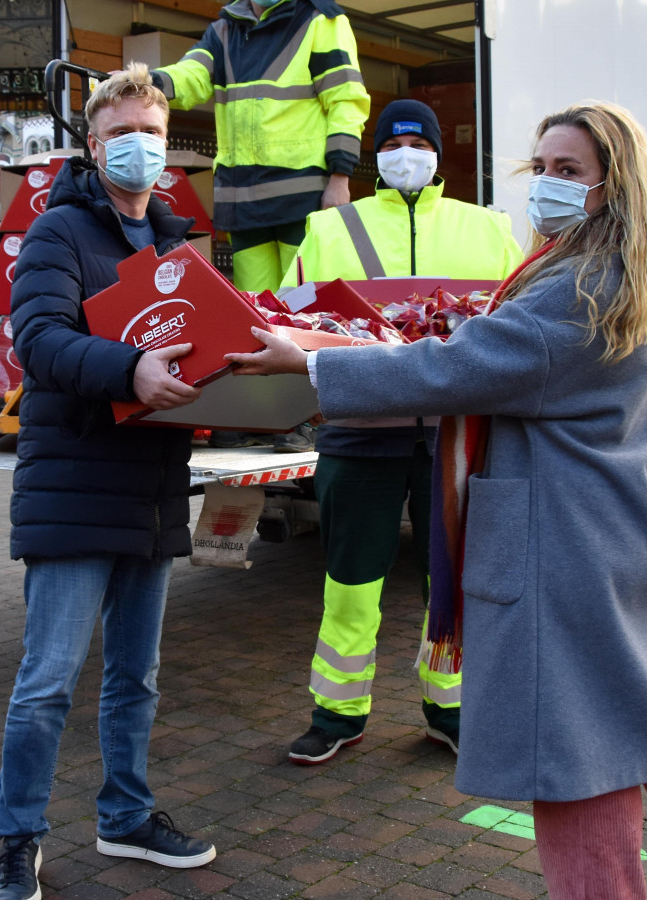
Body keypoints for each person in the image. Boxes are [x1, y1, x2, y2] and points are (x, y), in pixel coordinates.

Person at [226, 101, 647, 900]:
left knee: (575, 750)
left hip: (568, 546)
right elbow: (470, 355)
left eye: (569, 171)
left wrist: (309, 364)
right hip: (622, 533)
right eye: (541, 167)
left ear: (612, 187)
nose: (546, 184)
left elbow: (455, 368)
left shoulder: (577, 284)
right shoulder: (614, 268)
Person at [0, 65, 217, 900]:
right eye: (122, 134)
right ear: (93, 144)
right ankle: (17, 841)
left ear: (169, 149)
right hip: (76, 481)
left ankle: (125, 815)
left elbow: (197, 345)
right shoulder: (58, 232)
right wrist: (132, 371)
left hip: (149, 480)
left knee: (137, 675)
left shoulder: (174, 241)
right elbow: (38, 342)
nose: (138, 148)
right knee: (47, 681)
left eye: (152, 134)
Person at [277, 99, 523, 765]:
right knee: (351, 579)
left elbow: (519, 322)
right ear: (375, 155)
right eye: (393, 141)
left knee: (450, 579)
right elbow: (288, 316)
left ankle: (450, 707)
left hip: (455, 434)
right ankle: (337, 712)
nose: (406, 151)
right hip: (359, 431)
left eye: (419, 140)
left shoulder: (489, 230)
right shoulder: (329, 229)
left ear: (439, 153)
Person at [149, 0, 370, 294]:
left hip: (302, 200)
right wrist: (144, 81)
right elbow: (191, 76)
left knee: (305, 307)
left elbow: (346, 101)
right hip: (243, 205)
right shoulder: (223, 30)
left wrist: (340, 177)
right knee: (258, 311)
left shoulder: (320, 21)